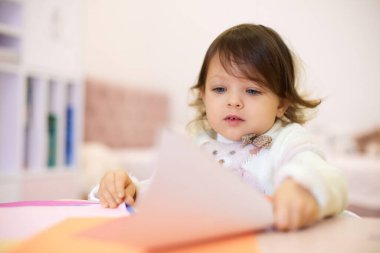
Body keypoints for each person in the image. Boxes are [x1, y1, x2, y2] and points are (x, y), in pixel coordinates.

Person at [89, 23, 347, 231]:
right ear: (203, 94)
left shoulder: (286, 140)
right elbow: (164, 197)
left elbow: (327, 177)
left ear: (281, 104)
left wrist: (302, 187)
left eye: (252, 90)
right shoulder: (196, 143)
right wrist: (127, 189)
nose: (233, 101)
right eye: (220, 89)